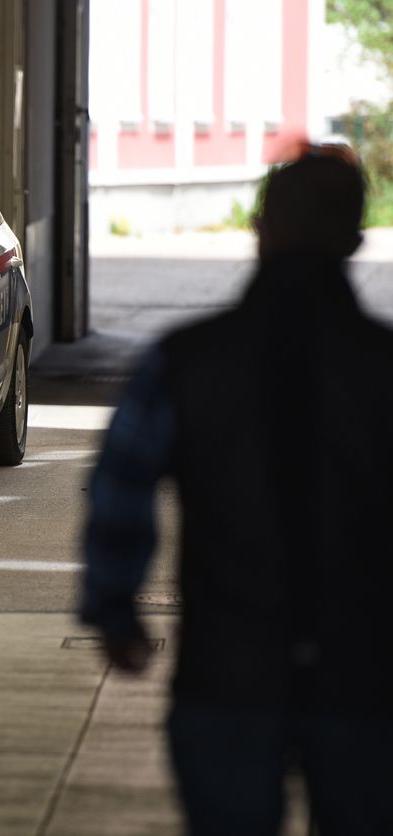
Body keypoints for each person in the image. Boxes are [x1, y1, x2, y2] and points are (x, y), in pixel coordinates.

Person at [80, 143, 393, 835]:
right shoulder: (384, 367)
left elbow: (119, 494)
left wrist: (115, 613)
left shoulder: (185, 360)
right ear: (354, 241)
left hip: (227, 673)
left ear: (263, 230)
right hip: (367, 678)